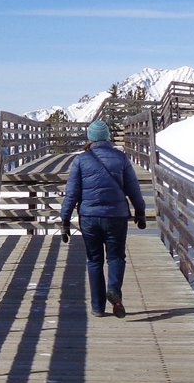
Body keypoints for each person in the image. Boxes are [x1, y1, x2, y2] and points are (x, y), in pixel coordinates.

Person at [60, 119, 147, 318]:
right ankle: (114, 289)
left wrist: (65, 220)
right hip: (116, 217)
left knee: (94, 261)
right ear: (107, 137)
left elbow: (71, 194)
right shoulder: (121, 158)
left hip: (89, 217)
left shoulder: (81, 160)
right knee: (116, 257)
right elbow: (133, 188)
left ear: (90, 138)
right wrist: (140, 212)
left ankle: (98, 307)